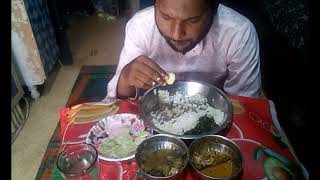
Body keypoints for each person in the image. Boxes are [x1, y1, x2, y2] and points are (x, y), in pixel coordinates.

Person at [105, 0, 262, 101]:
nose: (176, 34)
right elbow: (119, 99)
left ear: (214, 10)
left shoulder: (238, 32)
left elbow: (245, 104)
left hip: (213, 110)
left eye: (192, 20)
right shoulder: (140, 27)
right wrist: (126, 78)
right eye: (166, 17)